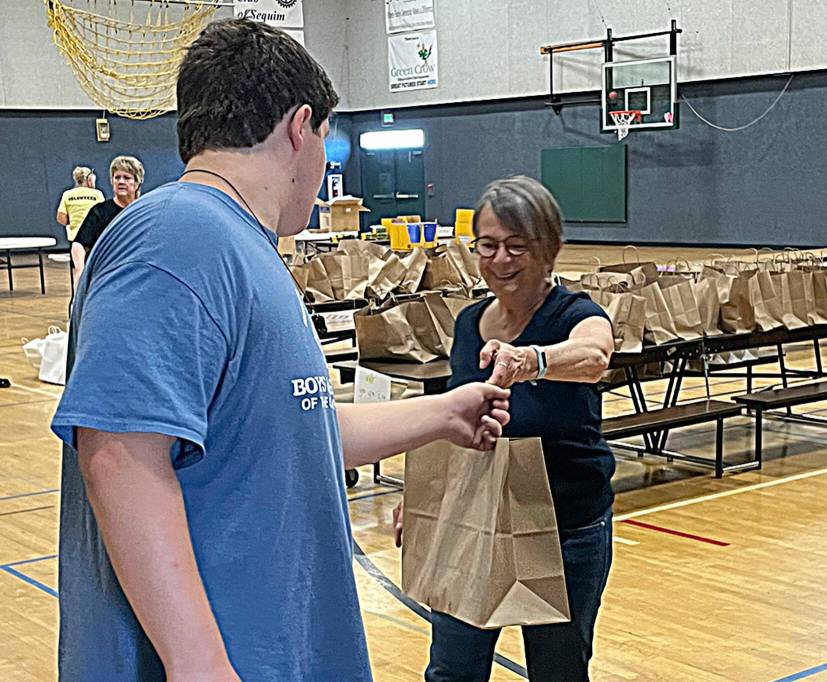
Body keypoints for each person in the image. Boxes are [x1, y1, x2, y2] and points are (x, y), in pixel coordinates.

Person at [50, 18, 510, 681]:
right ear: (301, 128)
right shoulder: (177, 234)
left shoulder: (238, 246)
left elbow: (291, 432)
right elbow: (120, 453)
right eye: (327, 139)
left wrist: (446, 413)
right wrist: (201, 665)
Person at [395, 176, 617, 681]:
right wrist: (422, 497)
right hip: (474, 522)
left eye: (517, 247)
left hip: (566, 529)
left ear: (552, 248)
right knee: (452, 670)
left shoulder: (574, 314)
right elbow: (453, 421)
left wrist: (531, 360)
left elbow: (595, 354)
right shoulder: (469, 323)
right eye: (487, 246)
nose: (500, 261)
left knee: (558, 671)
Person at [71, 155, 144, 283]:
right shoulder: (99, 211)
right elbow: (79, 244)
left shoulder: (144, 211)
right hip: (104, 276)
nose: (121, 181)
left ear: (137, 183)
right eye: (117, 177)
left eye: (127, 178)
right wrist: (80, 271)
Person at [56, 166, 105, 242]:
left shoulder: (67, 194)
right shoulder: (97, 194)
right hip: (94, 237)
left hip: (75, 238)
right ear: (90, 180)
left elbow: (61, 218)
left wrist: (73, 220)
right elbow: (104, 215)